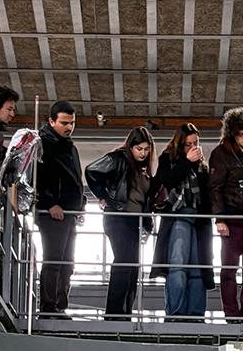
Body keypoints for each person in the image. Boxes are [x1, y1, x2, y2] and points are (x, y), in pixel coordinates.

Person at [86, 126, 159, 320]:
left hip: (134, 221)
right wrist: (102, 196)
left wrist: (148, 225)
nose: (143, 153)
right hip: (118, 217)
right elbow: (91, 171)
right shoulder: (118, 158)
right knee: (124, 262)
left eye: (146, 149)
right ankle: (114, 314)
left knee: (133, 267)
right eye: (139, 149)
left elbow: (145, 200)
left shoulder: (145, 169)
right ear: (131, 147)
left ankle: (125, 314)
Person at [150, 123, 214, 321]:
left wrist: (196, 165)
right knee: (177, 266)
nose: (193, 147)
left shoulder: (202, 166)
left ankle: (196, 315)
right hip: (177, 215)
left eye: (196, 143)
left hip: (199, 219)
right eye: (188, 144)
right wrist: (187, 162)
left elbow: (206, 195)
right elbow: (166, 181)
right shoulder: (167, 159)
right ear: (180, 144)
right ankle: (175, 313)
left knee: (198, 268)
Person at [208, 106, 243, 323]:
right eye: (241, 134)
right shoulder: (220, 154)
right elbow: (215, 188)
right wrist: (220, 218)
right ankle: (232, 315)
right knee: (229, 269)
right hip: (231, 217)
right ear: (232, 132)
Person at [36, 101, 84, 317]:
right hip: (53, 212)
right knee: (55, 260)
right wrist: (48, 203)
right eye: (64, 123)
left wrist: (80, 205)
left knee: (67, 263)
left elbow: (76, 179)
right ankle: (49, 307)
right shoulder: (42, 144)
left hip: (69, 213)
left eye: (72, 123)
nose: (69, 127)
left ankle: (59, 306)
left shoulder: (70, 147)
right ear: (51, 121)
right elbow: (36, 177)